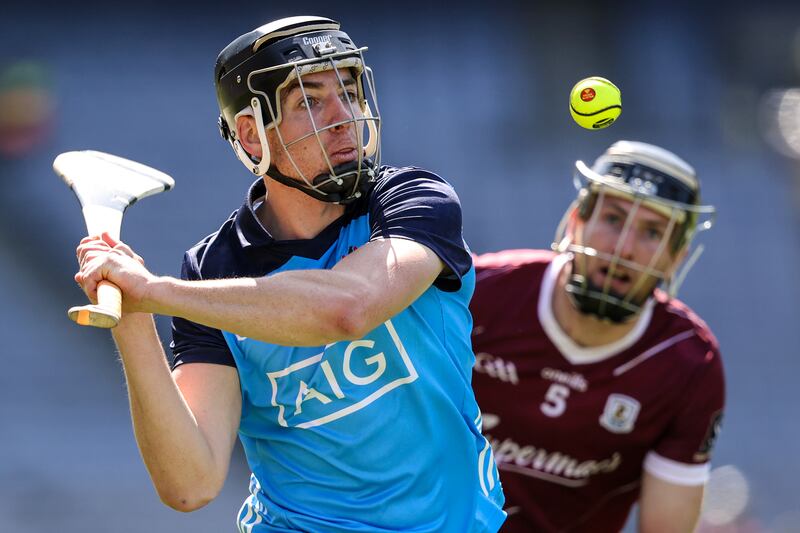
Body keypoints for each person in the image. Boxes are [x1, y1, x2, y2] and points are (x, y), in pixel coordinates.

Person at [74, 15, 505, 533]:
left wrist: (158, 293)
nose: (344, 117)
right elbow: (190, 484)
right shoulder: (211, 270)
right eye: (310, 101)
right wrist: (134, 316)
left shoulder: (413, 200)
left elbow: (349, 308)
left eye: (350, 91)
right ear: (252, 135)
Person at [469, 141, 725, 533]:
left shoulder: (687, 364)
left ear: (676, 257)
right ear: (576, 221)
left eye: (652, 232)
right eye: (613, 219)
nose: (623, 248)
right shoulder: (476, 294)